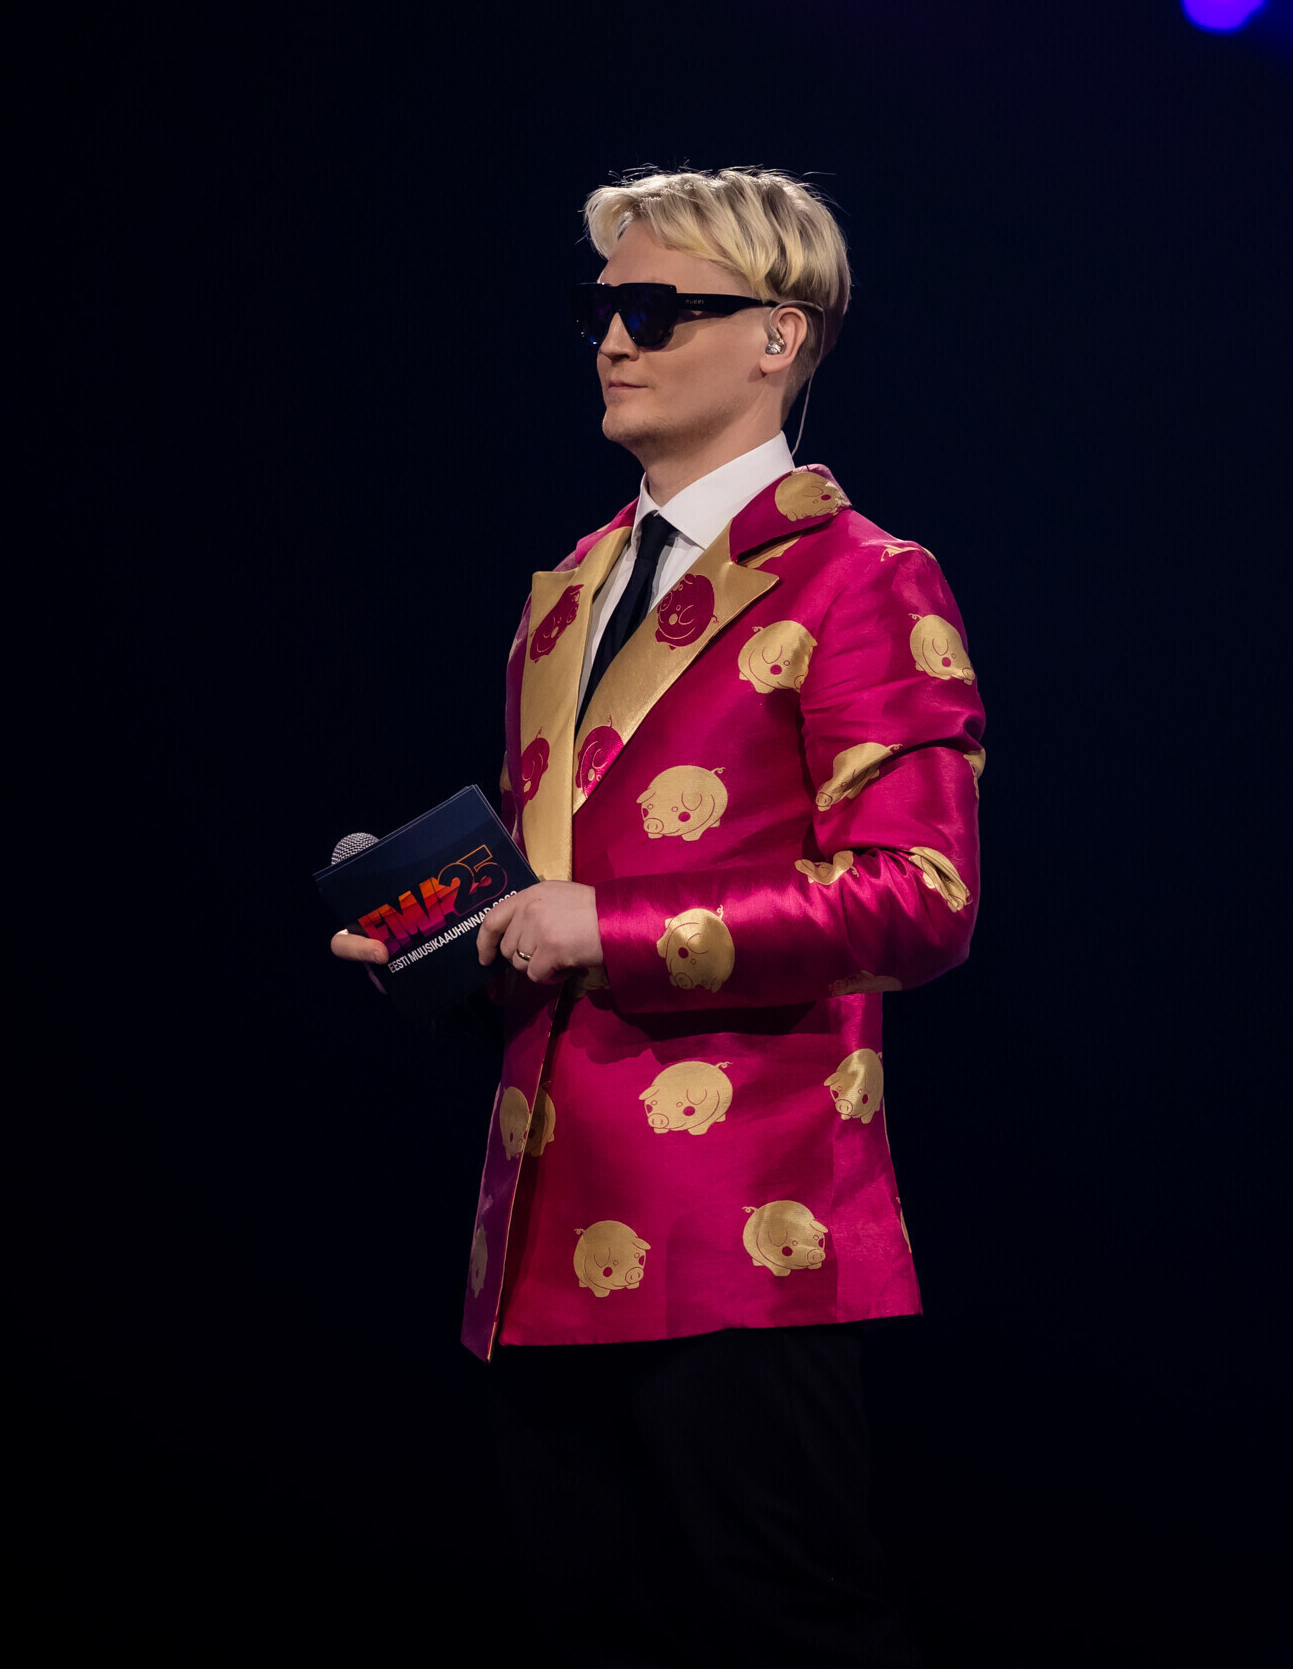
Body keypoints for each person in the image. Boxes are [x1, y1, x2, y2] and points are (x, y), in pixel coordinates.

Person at [334, 166, 980, 1665]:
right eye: (600, 308)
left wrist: (602, 929)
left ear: (780, 336)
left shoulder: (866, 581)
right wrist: (441, 947)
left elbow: (923, 897)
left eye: (656, 308)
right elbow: (551, 892)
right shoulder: (564, 591)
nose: (614, 340)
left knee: (789, 1629)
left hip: (747, 1230)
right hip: (539, 1225)